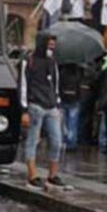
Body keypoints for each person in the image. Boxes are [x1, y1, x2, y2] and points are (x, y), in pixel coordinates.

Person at [19, 33, 64, 190]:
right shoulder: (28, 61)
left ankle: (52, 175)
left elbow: (56, 84)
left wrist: (57, 104)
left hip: (51, 106)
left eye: (53, 45)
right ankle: (33, 175)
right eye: (50, 45)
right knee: (33, 140)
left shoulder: (53, 62)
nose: (52, 48)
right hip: (35, 105)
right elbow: (23, 85)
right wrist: (24, 109)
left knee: (57, 141)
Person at [58, 62, 86, 152]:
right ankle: (71, 143)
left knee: (64, 123)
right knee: (73, 123)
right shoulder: (79, 73)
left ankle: (63, 141)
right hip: (75, 99)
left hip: (63, 98)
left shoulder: (61, 72)